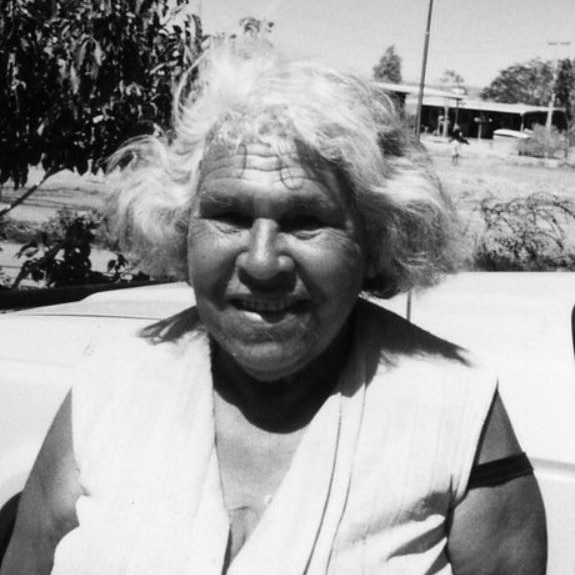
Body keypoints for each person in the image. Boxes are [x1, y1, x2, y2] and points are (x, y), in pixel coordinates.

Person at [0, 41, 546, 575]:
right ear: (181, 229)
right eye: (229, 216)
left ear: (378, 236)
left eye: (307, 220)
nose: (262, 262)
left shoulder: (458, 409)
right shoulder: (111, 381)